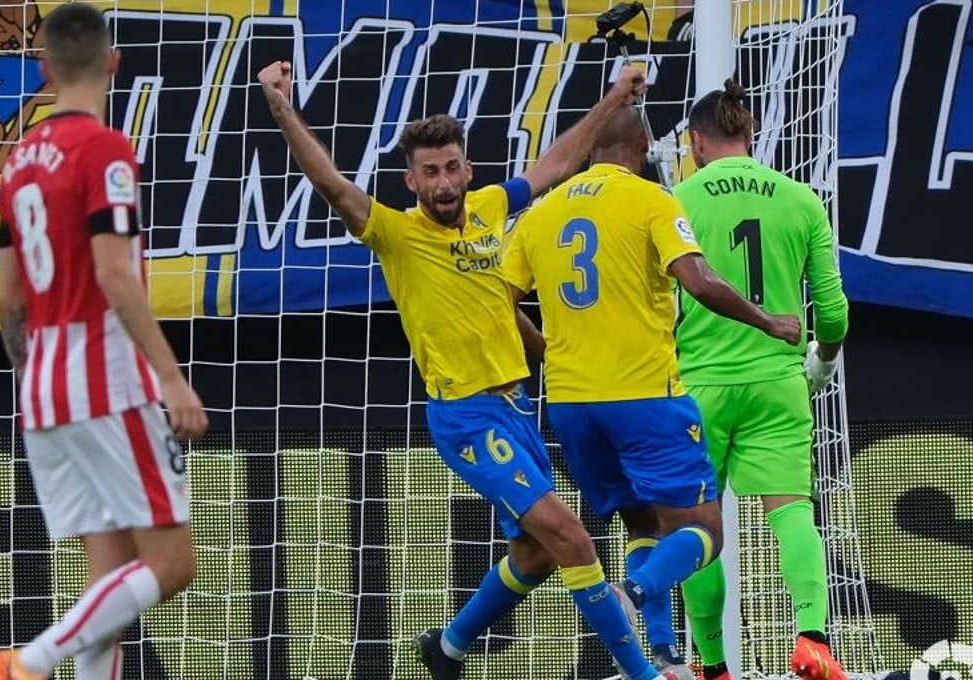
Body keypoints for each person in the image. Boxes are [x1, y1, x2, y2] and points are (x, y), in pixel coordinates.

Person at [258, 61, 671, 680]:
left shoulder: (489, 208)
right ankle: (646, 672)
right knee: (574, 541)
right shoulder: (395, 235)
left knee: (532, 556)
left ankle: (447, 648)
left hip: (519, 407)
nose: (444, 181)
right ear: (412, 182)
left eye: (452, 167)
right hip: (466, 414)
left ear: (468, 170)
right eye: (430, 172)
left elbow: (555, 164)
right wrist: (283, 110)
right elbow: (336, 188)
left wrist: (614, 97)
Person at [500, 106, 800, 678]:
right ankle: (630, 596)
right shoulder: (651, 200)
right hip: (644, 395)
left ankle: (663, 655)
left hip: (570, 405)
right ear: (643, 142)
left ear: (590, 149)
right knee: (704, 532)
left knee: (640, 522)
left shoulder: (540, 214)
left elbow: (500, 300)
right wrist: (767, 321)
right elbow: (699, 280)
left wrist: (549, 354)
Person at [0, 5, 208, 679]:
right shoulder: (105, 149)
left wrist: (35, 378)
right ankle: (31, 660)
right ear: (113, 61)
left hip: (43, 382)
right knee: (172, 564)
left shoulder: (18, 161)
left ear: (44, 68)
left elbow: (6, 298)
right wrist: (170, 378)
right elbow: (114, 272)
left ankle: (45, 658)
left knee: (107, 584)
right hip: (105, 373)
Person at [673, 80, 849, 680]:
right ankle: (812, 638)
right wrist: (822, 359)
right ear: (750, 136)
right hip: (778, 380)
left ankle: (713, 667)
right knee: (791, 510)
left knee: (696, 527)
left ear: (696, 143)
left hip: (699, 384)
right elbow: (834, 310)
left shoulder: (676, 200)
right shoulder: (800, 199)